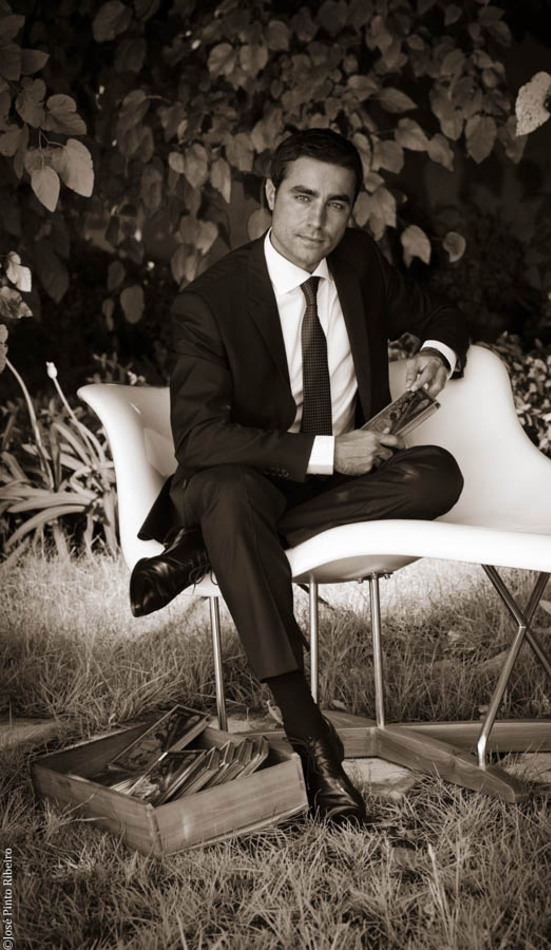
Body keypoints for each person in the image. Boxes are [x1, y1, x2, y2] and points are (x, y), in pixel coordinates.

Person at [130, 129, 469, 824]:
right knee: (229, 497)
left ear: (352, 211)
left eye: (336, 204)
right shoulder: (212, 301)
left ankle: (204, 549)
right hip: (244, 474)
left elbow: (442, 313)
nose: (318, 220)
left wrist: (437, 350)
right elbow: (199, 438)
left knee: (436, 474)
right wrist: (326, 452)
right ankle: (313, 741)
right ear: (270, 195)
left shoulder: (358, 263)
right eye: (303, 197)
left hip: (331, 487)